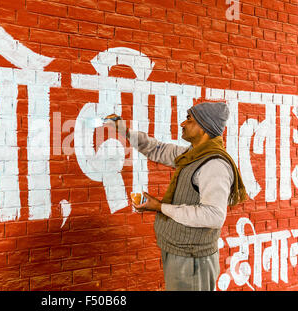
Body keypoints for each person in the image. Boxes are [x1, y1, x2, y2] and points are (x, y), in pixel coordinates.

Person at [105, 102, 248, 291]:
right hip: (181, 253)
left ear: (204, 127)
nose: (183, 123)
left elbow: (214, 216)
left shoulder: (214, 165)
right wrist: (123, 130)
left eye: (189, 119)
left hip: (193, 260)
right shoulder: (191, 155)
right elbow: (156, 149)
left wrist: (160, 207)